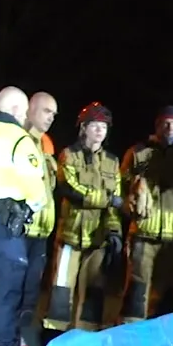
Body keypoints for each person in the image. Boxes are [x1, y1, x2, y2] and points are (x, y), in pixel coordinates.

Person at [0, 87, 49, 346]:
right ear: (14, 111)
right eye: (23, 112)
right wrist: (32, 208)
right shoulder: (20, 140)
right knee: (8, 293)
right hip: (5, 225)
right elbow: (36, 191)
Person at [120, 106, 173, 324]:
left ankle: (160, 334)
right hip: (144, 234)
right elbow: (121, 189)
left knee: (167, 291)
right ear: (157, 126)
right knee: (137, 288)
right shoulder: (139, 153)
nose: (170, 128)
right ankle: (130, 334)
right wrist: (131, 209)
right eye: (165, 123)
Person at [49, 103, 123, 332]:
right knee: (61, 291)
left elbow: (116, 202)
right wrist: (107, 199)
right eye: (95, 125)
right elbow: (70, 189)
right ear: (83, 128)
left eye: (104, 127)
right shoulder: (68, 155)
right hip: (70, 235)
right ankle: (53, 339)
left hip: (97, 239)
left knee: (93, 294)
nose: (100, 130)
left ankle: (85, 339)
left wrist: (114, 231)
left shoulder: (112, 161)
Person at [16, 92, 59, 346]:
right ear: (30, 110)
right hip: (20, 230)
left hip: (40, 232)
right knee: (11, 293)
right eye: (46, 111)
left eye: (53, 114)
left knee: (30, 297)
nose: (51, 118)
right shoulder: (19, 140)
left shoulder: (46, 145)